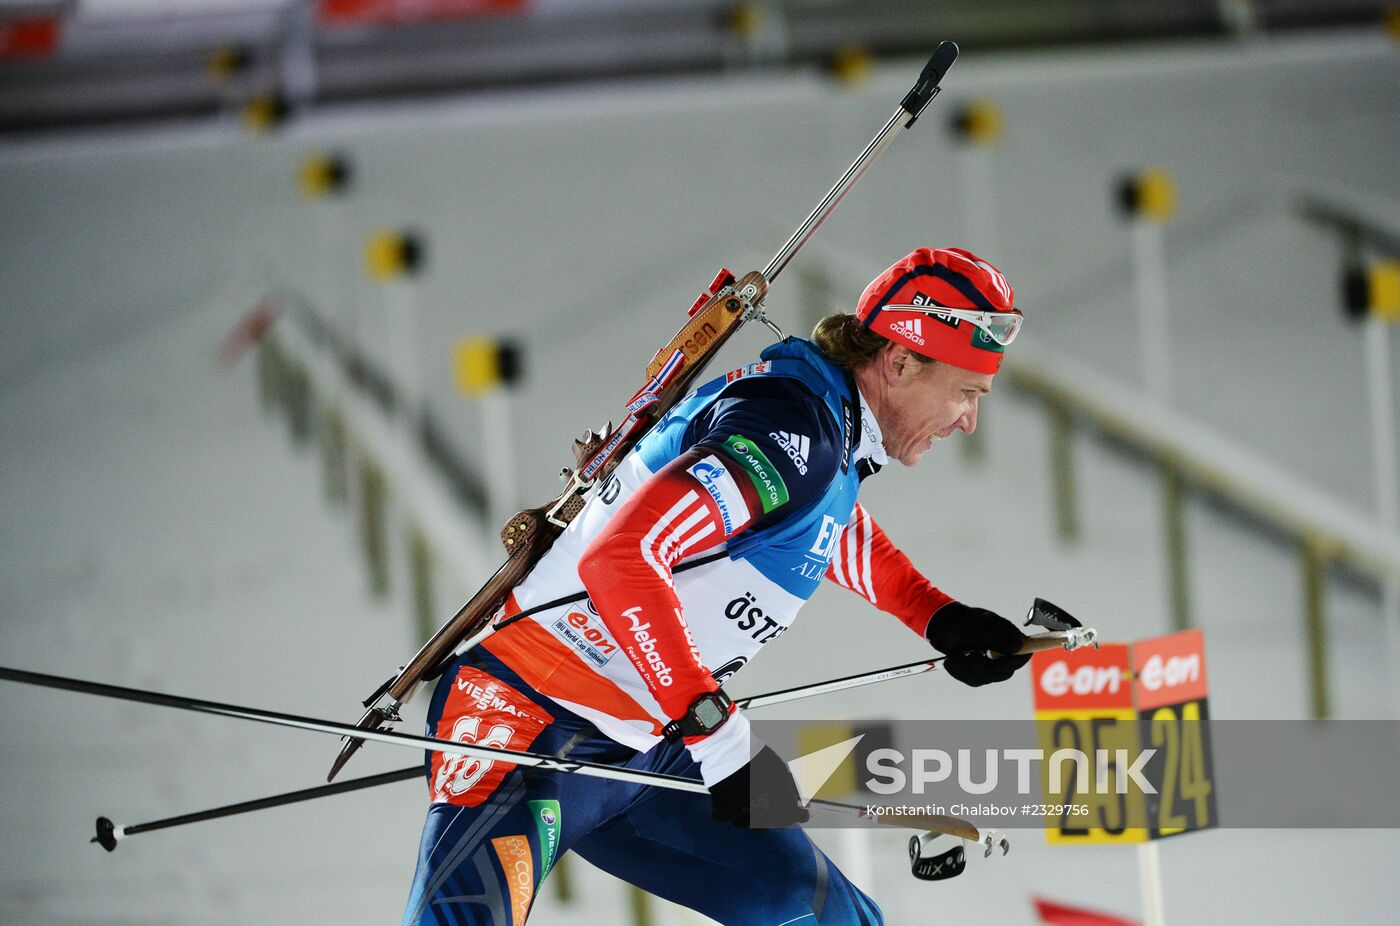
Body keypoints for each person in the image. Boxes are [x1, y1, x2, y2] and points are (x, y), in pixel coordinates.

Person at [403, 247, 1032, 925]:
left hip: (654, 740)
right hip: (530, 724)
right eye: (966, 392)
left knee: (823, 917)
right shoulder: (792, 430)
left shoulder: (831, 429)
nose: (969, 419)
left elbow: (822, 525)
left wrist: (939, 617)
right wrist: (716, 731)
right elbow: (624, 557)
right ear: (901, 361)